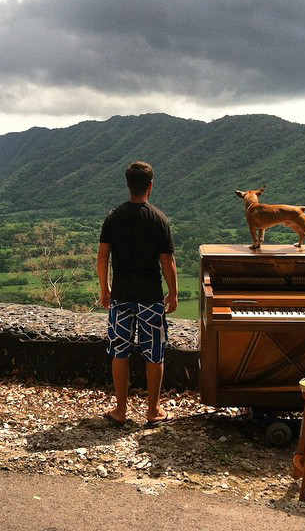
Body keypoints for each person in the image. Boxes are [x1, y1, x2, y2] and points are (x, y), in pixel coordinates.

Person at [97, 160, 178, 425]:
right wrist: (174, 293)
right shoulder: (159, 219)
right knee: (155, 353)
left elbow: (102, 257)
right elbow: (167, 262)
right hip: (151, 298)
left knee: (119, 352)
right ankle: (153, 411)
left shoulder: (113, 217)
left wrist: (104, 288)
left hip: (121, 296)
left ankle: (120, 411)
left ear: (128, 185)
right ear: (150, 186)